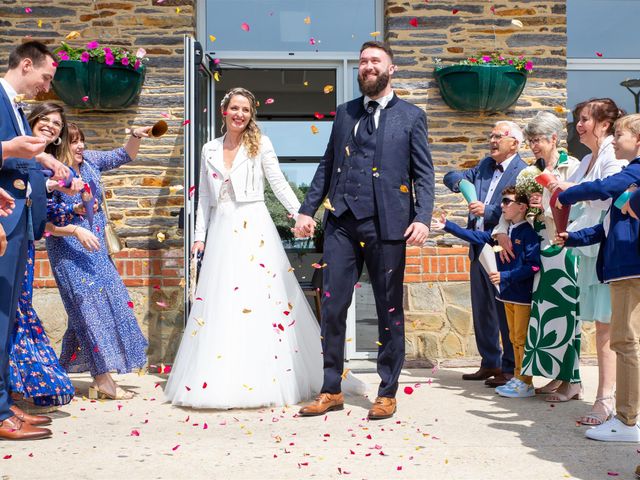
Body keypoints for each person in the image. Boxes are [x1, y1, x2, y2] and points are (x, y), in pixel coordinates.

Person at [164, 87, 364, 409]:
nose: (240, 114)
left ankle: (268, 378)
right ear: (224, 111)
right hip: (221, 232)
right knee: (222, 302)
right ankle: (219, 377)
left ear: (251, 114)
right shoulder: (209, 150)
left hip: (254, 227)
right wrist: (199, 236)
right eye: (235, 108)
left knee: (261, 299)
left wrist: (302, 213)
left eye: (245, 109)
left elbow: (279, 182)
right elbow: (204, 199)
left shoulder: (261, 144)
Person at [294, 41, 434, 420]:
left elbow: (423, 173)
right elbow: (327, 164)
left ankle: (387, 392)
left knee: (389, 311)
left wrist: (422, 217)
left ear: (392, 69)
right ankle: (331, 389)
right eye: (362, 62)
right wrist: (308, 209)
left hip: (387, 225)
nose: (367, 66)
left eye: (375, 61)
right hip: (341, 221)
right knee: (333, 305)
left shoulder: (411, 116)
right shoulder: (344, 114)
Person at [46, 122, 150, 400]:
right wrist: (74, 224)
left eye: (82, 141)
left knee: (112, 300)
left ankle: (84, 369)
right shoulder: (51, 173)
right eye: (73, 142)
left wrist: (135, 136)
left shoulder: (90, 161)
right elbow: (44, 223)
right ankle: (102, 379)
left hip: (96, 249)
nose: (80, 147)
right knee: (87, 309)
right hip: (67, 249)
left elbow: (123, 155)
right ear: (60, 145)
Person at [0, 40, 70, 440]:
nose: (46, 88)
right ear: (26, 64)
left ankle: (3, 404)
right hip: (5, 220)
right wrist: (12, 148)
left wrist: (38, 158)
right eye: (46, 77)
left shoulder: (16, 108)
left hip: (20, 225)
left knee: (6, 322)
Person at [556, 113, 640, 442]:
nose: (615, 140)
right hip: (623, 269)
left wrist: (568, 193)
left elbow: (606, 187)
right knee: (626, 342)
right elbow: (608, 226)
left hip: (630, 270)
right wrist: (573, 238)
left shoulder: (633, 172)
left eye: (620, 134)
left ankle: (627, 420)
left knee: (624, 342)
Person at [10, 103, 99, 411]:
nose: (50, 126)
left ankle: (14, 394)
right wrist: (73, 227)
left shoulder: (55, 166)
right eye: (44, 120)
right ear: (30, 123)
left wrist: (72, 200)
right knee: (12, 316)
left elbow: (42, 205)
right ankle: (13, 394)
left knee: (17, 312)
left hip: (27, 245)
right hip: (9, 238)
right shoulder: (22, 155)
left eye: (56, 124)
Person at [493, 111, 583, 402]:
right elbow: (509, 207)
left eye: (538, 140)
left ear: (554, 138)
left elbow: (583, 207)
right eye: (530, 140)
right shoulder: (528, 173)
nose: (533, 146)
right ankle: (556, 376)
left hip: (567, 247)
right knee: (544, 317)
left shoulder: (575, 167)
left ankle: (573, 381)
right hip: (541, 248)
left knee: (568, 314)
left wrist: (545, 204)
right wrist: (501, 231)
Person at [433, 187, 540, 397]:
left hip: (521, 297)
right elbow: (475, 236)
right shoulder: (503, 232)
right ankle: (518, 378)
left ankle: (525, 382)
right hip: (507, 295)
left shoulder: (528, 232)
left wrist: (506, 277)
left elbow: (534, 266)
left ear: (522, 207)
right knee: (513, 337)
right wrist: (447, 226)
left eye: (507, 202)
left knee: (520, 339)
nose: (502, 206)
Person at [443, 121, 527, 387]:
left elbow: (523, 208)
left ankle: (509, 368)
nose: (492, 140)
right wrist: (460, 185)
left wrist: (489, 211)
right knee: (482, 309)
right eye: (490, 135)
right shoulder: (485, 165)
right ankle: (490, 361)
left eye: (498, 136)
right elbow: (451, 175)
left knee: (503, 308)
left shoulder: (523, 171)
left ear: (514, 142)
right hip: (477, 245)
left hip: (503, 248)